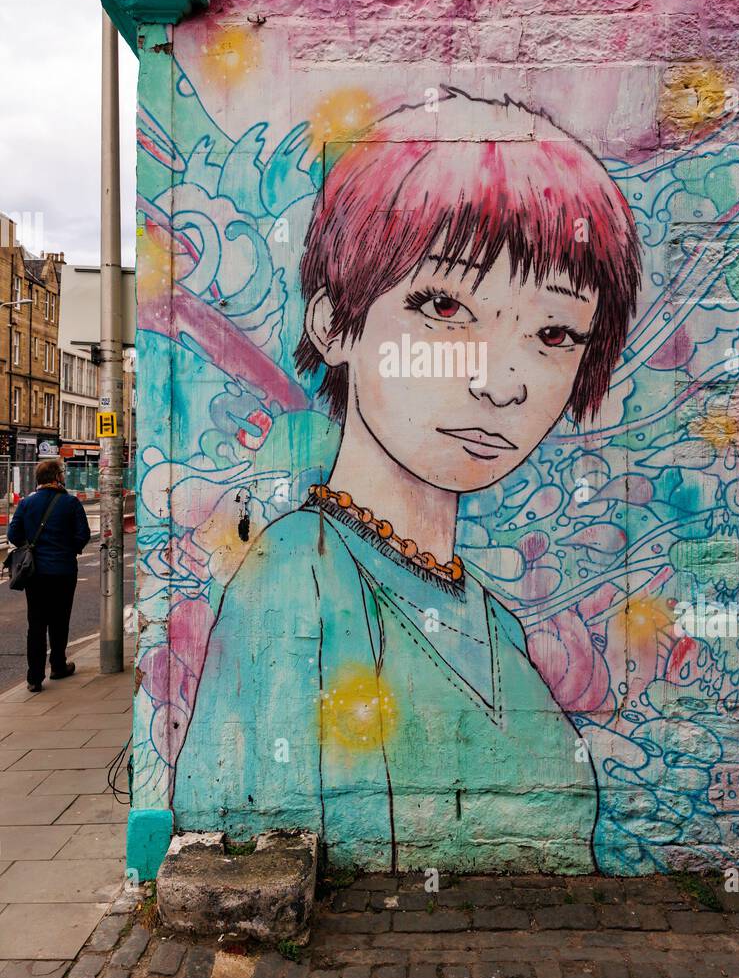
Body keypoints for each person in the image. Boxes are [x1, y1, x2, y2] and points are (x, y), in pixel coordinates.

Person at [174, 88, 641, 873]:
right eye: (445, 306)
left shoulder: (492, 620)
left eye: (555, 332)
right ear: (332, 324)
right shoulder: (299, 581)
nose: (503, 382)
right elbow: (258, 849)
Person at [8, 457, 91, 693]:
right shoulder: (71, 503)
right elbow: (82, 535)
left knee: (36, 624)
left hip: (35, 573)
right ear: (57, 477)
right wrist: (68, 549)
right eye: (62, 473)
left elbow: (14, 534)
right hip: (63, 570)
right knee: (59, 620)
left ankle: (34, 678)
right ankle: (57, 665)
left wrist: (31, 546)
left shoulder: (26, 503)